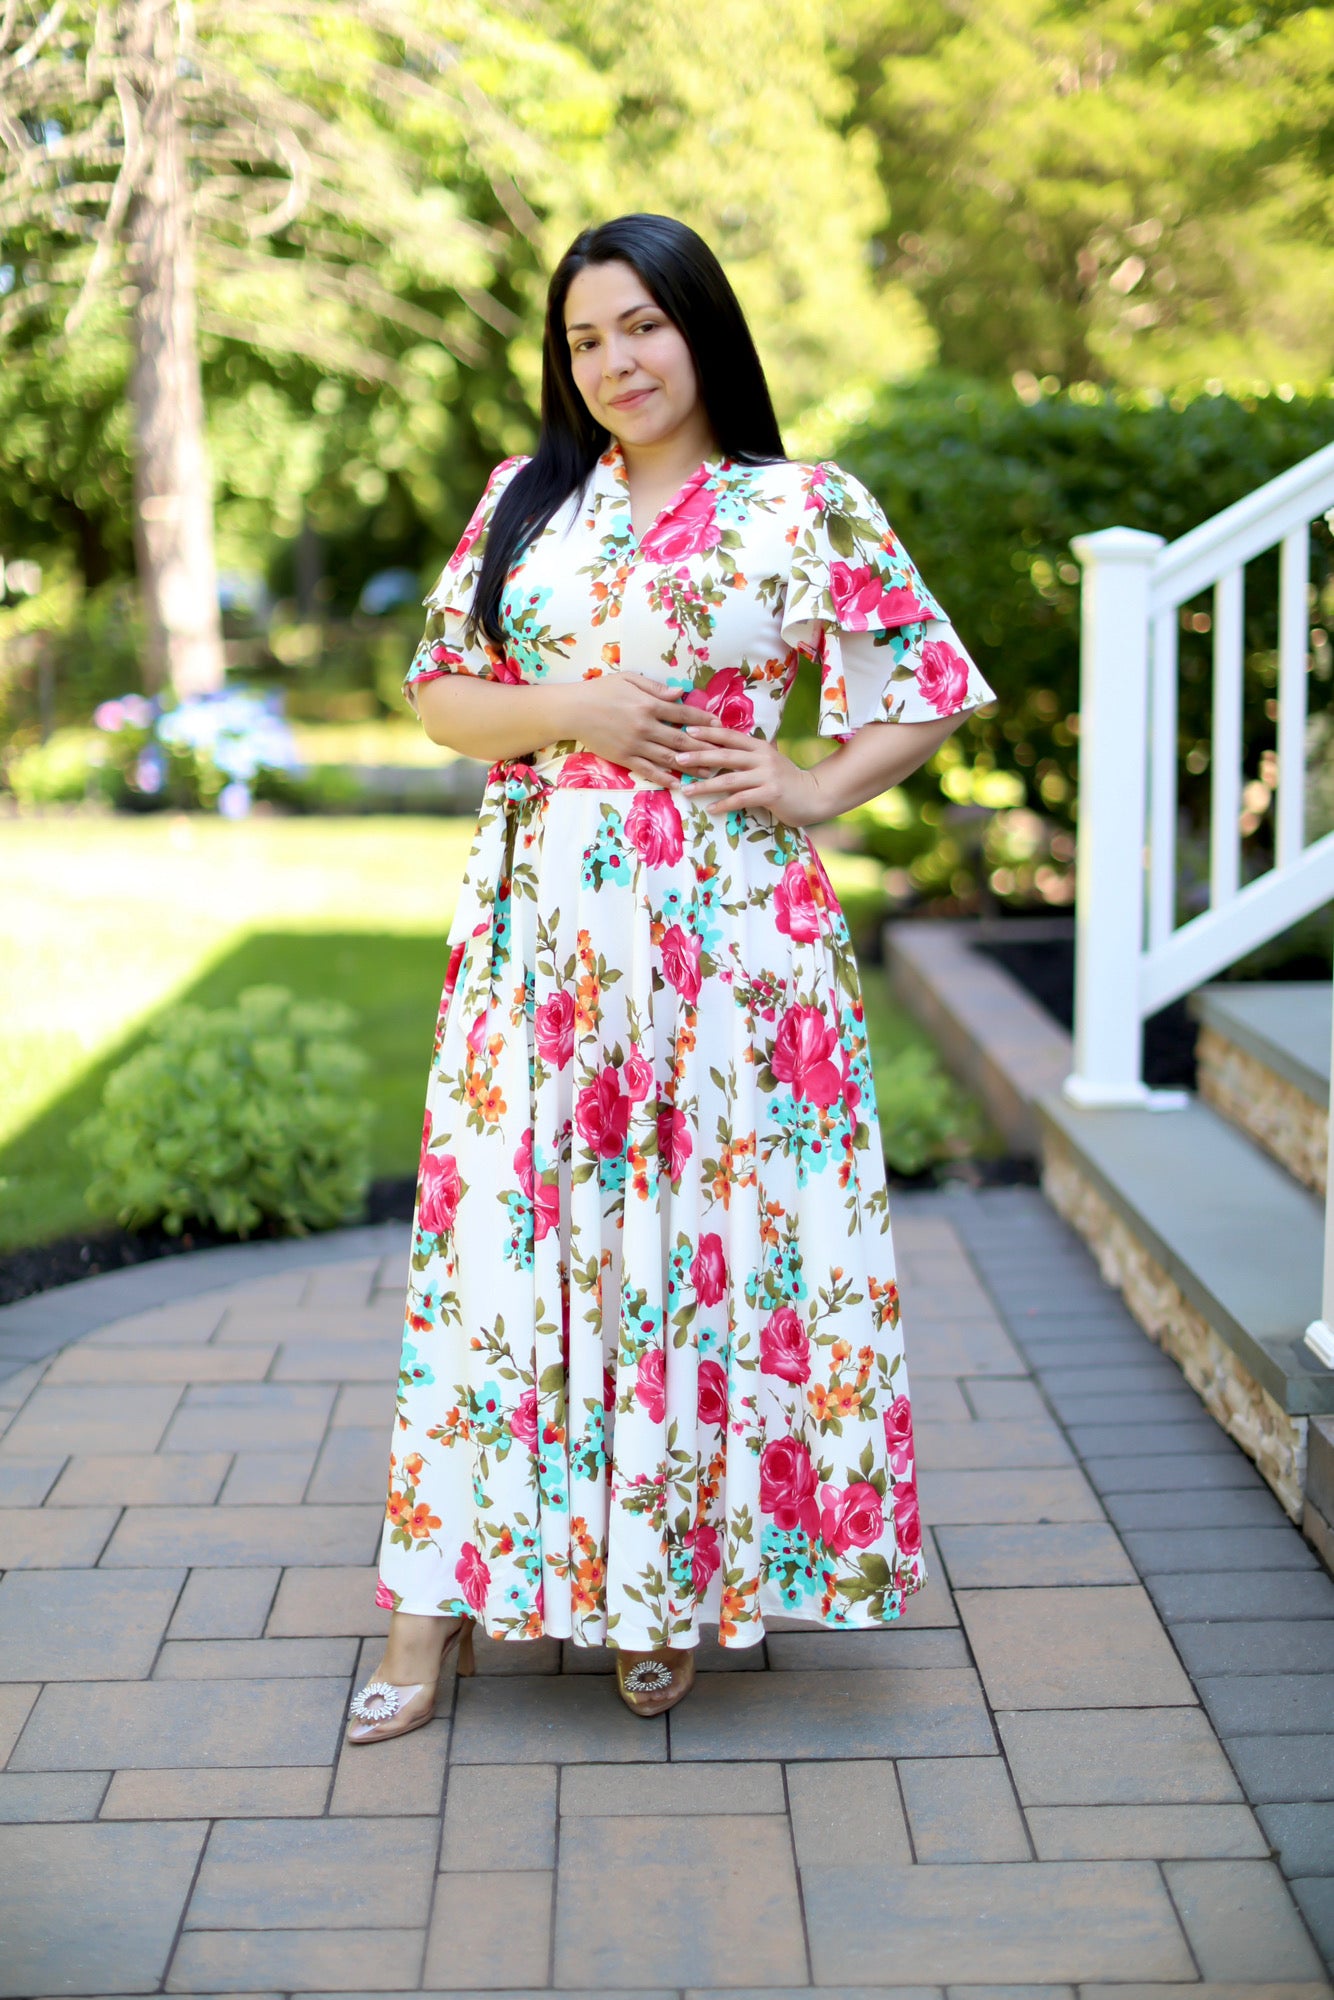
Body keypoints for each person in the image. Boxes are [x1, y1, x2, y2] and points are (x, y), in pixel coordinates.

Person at [347, 212, 995, 1742]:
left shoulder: (800, 505)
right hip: (540, 934)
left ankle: (661, 1589)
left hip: (730, 941)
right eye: (583, 338)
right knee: (501, 1263)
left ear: (698, 326)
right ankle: (430, 1620)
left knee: (691, 1250)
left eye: (640, 324)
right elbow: (442, 695)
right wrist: (579, 704)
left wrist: (819, 787)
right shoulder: (525, 498)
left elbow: (924, 685)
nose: (614, 360)